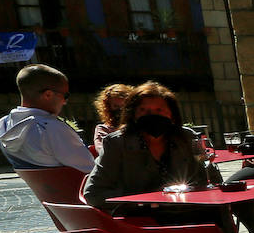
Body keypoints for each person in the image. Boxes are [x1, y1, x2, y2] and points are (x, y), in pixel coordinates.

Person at [82, 81, 221, 223]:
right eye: (144, 110)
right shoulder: (116, 144)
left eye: (159, 110)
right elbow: (93, 193)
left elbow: (212, 180)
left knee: (218, 214)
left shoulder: (186, 138)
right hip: (141, 221)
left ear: (172, 114)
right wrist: (145, 199)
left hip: (189, 212)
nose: (152, 116)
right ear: (133, 115)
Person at [0, 64, 96, 172]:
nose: (65, 102)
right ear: (48, 95)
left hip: (42, 182)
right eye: (65, 96)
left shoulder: (3, 125)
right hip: (76, 182)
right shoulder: (51, 128)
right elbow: (91, 168)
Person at [92, 83, 134, 156]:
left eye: (124, 106)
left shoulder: (138, 126)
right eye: (116, 106)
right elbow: (104, 153)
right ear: (108, 107)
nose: (120, 110)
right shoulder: (103, 130)